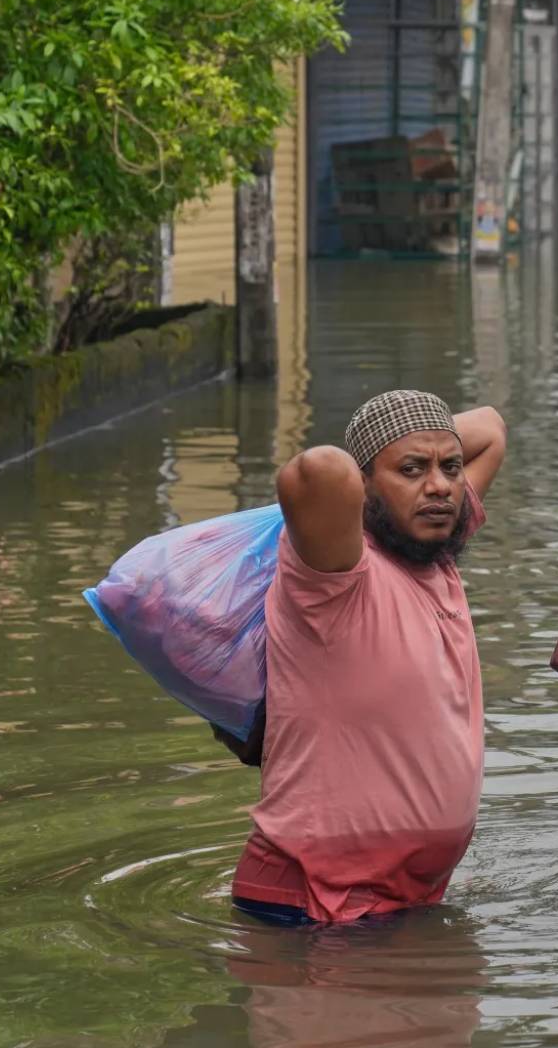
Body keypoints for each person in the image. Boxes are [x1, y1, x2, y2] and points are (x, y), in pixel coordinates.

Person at [228, 390, 507, 925]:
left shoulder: (437, 553)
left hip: (407, 903)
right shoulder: (335, 575)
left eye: (451, 469)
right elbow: (317, 471)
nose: (441, 487)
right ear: (363, 489)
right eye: (411, 469)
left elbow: (492, 427)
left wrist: (415, 444)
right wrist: (391, 447)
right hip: (312, 910)